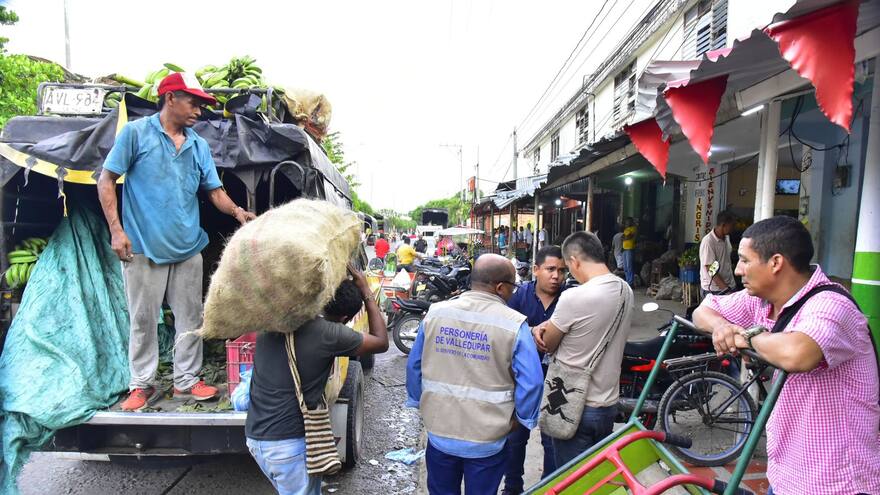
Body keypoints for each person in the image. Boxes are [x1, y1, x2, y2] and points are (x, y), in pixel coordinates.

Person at [98, 72, 257, 411]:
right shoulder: (136, 135)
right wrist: (116, 229)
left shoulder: (197, 145)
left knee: (192, 319)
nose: (199, 110)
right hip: (142, 246)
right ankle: (141, 385)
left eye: (201, 105)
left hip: (188, 247)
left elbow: (214, 192)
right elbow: (106, 180)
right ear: (170, 98)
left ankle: (186, 382)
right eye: (193, 102)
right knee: (143, 320)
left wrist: (238, 212)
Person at [693, 216, 879, 495]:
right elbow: (703, 310)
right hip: (786, 475)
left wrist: (745, 337)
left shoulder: (831, 306)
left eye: (745, 260)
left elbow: (797, 354)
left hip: (836, 481)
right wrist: (721, 326)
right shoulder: (760, 299)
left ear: (776, 263)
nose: (739, 270)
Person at [406, 254, 543, 495]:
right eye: (513, 287)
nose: (513, 293)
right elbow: (532, 382)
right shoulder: (514, 324)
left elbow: (414, 365)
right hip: (487, 440)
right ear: (500, 288)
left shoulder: (436, 313)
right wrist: (521, 419)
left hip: (440, 431)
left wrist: (420, 402)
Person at [246, 267, 389, 495]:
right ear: (345, 318)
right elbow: (381, 342)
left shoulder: (271, 319)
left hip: (256, 438)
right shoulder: (328, 334)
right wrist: (366, 291)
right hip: (288, 446)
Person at [533, 232, 633, 467]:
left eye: (567, 267)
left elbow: (549, 344)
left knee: (571, 480)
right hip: (607, 407)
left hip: (574, 407)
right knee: (593, 480)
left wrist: (541, 329)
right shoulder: (625, 290)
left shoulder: (573, 296)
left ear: (575, 261)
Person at [501, 246, 567, 495]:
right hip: (522, 379)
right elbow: (505, 329)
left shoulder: (569, 298)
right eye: (550, 269)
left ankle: (547, 488)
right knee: (516, 438)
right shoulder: (519, 296)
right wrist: (531, 330)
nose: (556, 276)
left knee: (552, 441)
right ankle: (512, 487)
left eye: (561, 270)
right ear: (536, 270)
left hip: (557, 380)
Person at [699, 210, 737, 298]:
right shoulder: (708, 241)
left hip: (729, 285)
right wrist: (726, 290)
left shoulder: (727, 238)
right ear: (723, 225)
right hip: (714, 290)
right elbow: (710, 269)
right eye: (732, 226)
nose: (733, 228)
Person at [621, 217, 637, 286]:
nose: (627, 223)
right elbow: (622, 238)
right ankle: (628, 281)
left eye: (628, 221)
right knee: (625, 267)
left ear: (631, 222)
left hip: (630, 249)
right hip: (624, 249)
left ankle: (630, 282)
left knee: (629, 266)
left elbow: (629, 237)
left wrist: (625, 237)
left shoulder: (633, 228)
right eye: (626, 222)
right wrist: (625, 237)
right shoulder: (625, 230)